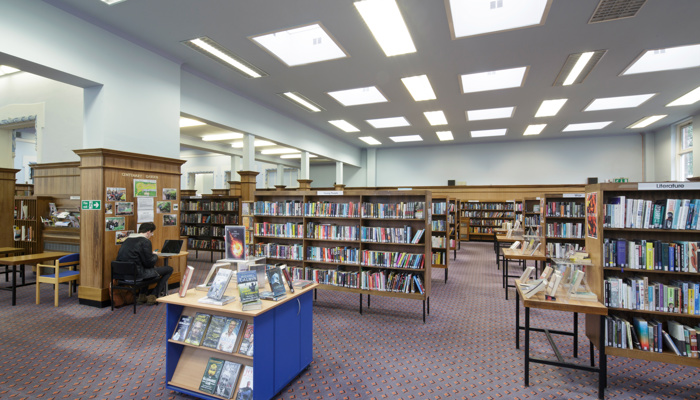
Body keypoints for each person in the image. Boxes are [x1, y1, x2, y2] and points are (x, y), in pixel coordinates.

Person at [116, 222, 172, 305]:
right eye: (152, 233)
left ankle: (142, 296)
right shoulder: (145, 241)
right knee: (169, 269)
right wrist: (155, 255)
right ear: (148, 232)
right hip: (137, 275)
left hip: (123, 275)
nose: (152, 235)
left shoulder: (127, 240)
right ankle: (153, 295)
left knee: (147, 270)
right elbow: (149, 263)